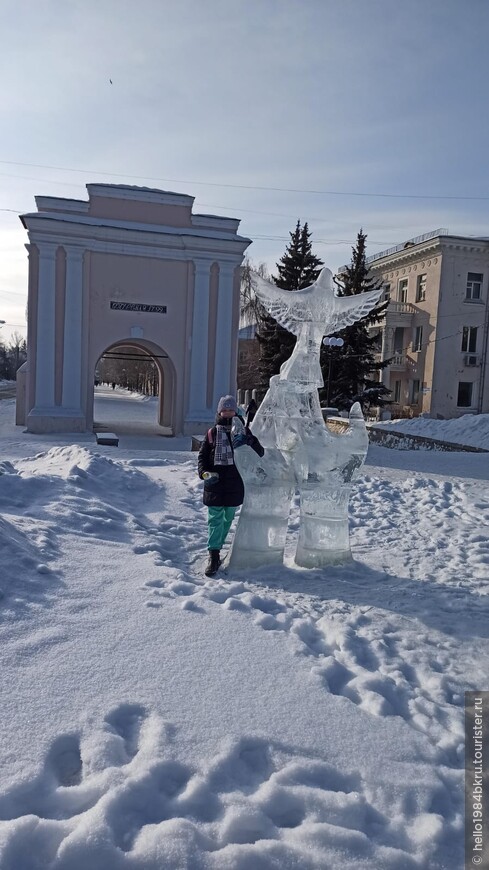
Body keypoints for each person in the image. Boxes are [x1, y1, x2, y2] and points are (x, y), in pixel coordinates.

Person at [198, 395, 264, 576]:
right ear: (219, 412)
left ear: (235, 411)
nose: (227, 412)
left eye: (230, 409)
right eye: (224, 409)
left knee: (227, 519)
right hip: (216, 482)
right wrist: (204, 473)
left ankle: (217, 549)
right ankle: (213, 554)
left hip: (235, 483)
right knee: (215, 520)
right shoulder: (212, 433)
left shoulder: (243, 432)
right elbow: (202, 457)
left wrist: (250, 442)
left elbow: (261, 453)